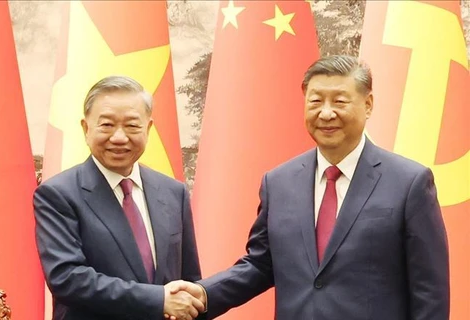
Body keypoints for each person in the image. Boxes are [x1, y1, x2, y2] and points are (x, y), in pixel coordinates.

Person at [169, 55, 450, 320]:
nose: (326, 113)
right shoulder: (278, 183)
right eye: (315, 101)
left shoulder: (409, 183)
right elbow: (260, 264)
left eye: (339, 101)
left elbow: (430, 292)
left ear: (368, 104)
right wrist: (205, 294)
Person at [34, 76, 204, 320]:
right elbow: (67, 278)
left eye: (132, 126)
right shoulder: (58, 194)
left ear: (148, 128)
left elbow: (189, 279)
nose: (119, 137)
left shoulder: (173, 192)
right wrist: (158, 300)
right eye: (107, 125)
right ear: (86, 128)